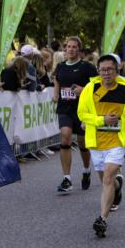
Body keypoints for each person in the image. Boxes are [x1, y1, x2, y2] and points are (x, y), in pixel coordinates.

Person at [78, 54, 125, 238]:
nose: (106, 73)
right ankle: (117, 186)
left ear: (117, 69)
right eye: (103, 70)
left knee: (106, 179)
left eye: (110, 70)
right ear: (98, 71)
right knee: (106, 180)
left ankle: (102, 220)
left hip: (117, 141)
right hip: (96, 142)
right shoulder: (90, 88)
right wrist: (102, 120)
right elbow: (82, 114)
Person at [53, 36, 98, 193]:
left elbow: (98, 87)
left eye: (74, 47)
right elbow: (57, 80)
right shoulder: (60, 66)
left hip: (82, 110)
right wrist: (55, 93)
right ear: (65, 49)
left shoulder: (87, 67)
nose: (70, 49)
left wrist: (83, 90)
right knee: (65, 137)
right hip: (65, 108)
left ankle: (86, 170)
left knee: (82, 143)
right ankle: (67, 178)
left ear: (79, 49)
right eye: (68, 47)